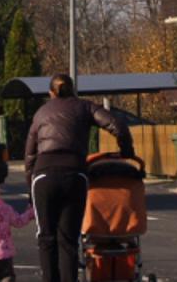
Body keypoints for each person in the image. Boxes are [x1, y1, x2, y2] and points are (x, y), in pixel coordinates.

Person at [24, 73, 134, 282]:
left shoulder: (41, 113)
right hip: (74, 174)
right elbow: (117, 125)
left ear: (51, 93)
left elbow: (30, 155)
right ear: (73, 89)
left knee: (46, 237)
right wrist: (126, 149)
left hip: (44, 175)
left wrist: (30, 190)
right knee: (69, 239)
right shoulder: (85, 107)